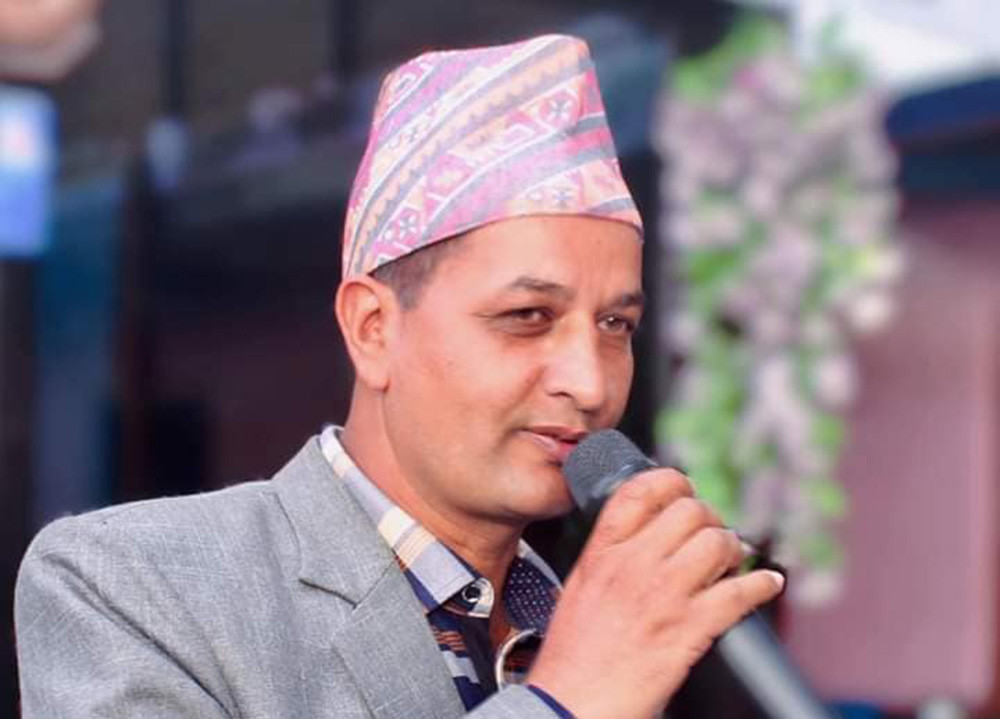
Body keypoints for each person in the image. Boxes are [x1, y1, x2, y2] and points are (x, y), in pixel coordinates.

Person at [15, 34, 784, 719]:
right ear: (372, 328)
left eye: (616, 325)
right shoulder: (135, 582)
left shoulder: (596, 622)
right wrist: (564, 700)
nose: (589, 383)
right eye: (528, 316)